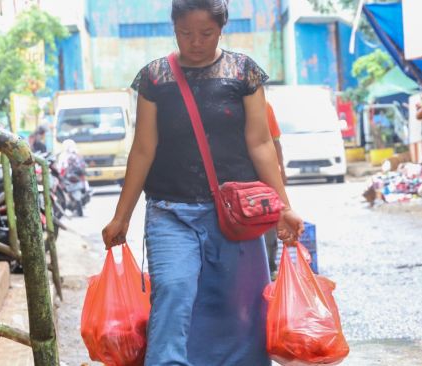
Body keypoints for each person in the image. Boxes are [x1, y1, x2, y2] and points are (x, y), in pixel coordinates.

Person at [101, 1, 304, 365]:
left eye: (205, 34)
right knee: (174, 290)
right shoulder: (155, 77)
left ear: (221, 29)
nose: (195, 42)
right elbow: (143, 149)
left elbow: (260, 144)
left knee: (241, 306)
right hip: (169, 211)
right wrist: (122, 216)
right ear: (174, 28)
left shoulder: (243, 72)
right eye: (185, 33)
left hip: (237, 214)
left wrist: (284, 207)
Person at [264, 101, 286, 277]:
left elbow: (275, 141)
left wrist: (281, 169)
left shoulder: (264, 105)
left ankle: (270, 267)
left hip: (263, 178)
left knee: (268, 221)